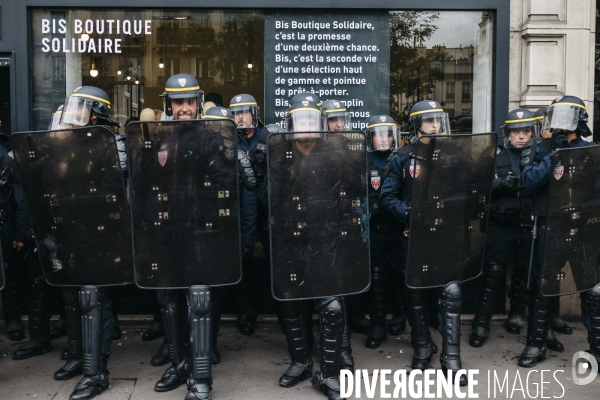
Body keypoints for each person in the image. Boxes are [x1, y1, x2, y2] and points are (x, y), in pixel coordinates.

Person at [380, 100, 472, 386]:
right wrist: (408, 213)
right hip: (415, 235)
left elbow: (469, 191)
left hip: (446, 235)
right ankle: (422, 346)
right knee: (415, 293)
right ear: (417, 125)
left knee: (452, 292)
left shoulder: (455, 155)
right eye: (428, 120)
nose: (434, 125)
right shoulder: (403, 157)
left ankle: (451, 356)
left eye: (438, 120)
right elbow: (386, 196)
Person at [271, 100, 354, 400]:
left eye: (311, 121)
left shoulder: (335, 155)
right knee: (292, 305)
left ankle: (330, 373)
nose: (306, 128)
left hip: (326, 241)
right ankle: (301, 362)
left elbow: (351, 196)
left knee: (331, 307)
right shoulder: (278, 156)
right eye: (300, 122)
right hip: (290, 240)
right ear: (290, 127)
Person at [519, 95, 597, 367]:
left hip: (584, 232)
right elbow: (528, 181)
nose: (560, 123)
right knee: (543, 287)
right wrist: (554, 154)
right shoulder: (544, 149)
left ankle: (596, 347)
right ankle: (536, 344)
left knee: (591, 290)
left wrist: (580, 210)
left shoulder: (593, 151)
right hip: (550, 230)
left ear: (579, 120)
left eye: (566, 117)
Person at [468, 109, 552, 348]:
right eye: (516, 131)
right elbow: (476, 186)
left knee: (525, 274)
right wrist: (500, 185)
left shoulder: (539, 156)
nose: (522, 136)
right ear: (507, 134)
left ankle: (516, 315)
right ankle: (481, 324)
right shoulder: (493, 155)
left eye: (526, 131)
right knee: (493, 274)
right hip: (500, 226)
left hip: (528, 226)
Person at [360, 114, 408, 349]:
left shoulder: (402, 159)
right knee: (376, 277)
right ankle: (377, 324)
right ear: (369, 138)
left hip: (399, 228)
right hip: (374, 229)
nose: (383, 139)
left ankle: (400, 317)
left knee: (401, 273)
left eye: (388, 134)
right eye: (378, 134)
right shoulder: (361, 160)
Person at [228, 93, 270, 336]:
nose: (240, 117)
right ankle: (245, 311)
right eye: (236, 113)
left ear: (255, 113)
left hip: (266, 211)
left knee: (273, 260)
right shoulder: (228, 139)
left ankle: (281, 311)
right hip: (241, 210)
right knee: (242, 261)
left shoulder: (268, 137)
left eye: (244, 112)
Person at [0, 136, 30, 342]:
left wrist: (19, 235)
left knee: (8, 274)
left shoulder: (8, 160)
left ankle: (13, 322)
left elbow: (22, 202)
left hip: (4, 226)